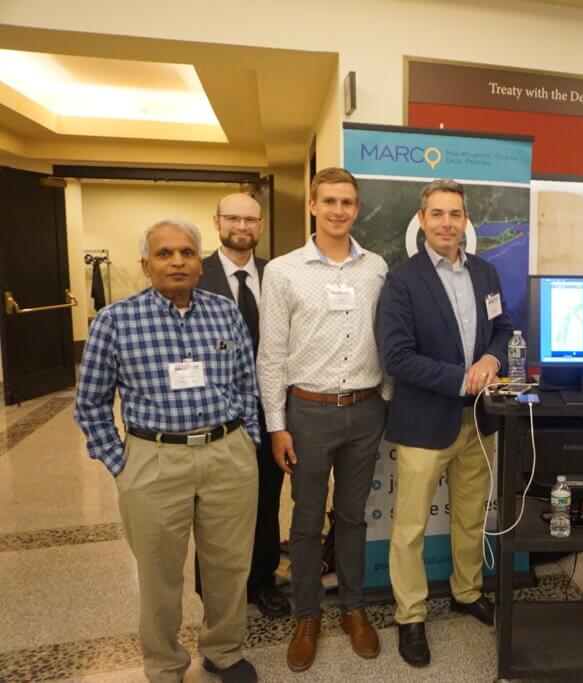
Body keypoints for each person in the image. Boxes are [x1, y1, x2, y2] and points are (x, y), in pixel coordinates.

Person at [74, 219, 259, 683]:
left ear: (201, 261)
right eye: (164, 254)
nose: (177, 261)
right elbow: (91, 402)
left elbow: (245, 383)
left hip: (227, 455)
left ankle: (224, 650)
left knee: (230, 565)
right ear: (145, 264)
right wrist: (122, 463)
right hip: (153, 460)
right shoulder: (115, 321)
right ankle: (164, 664)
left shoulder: (224, 312)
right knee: (159, 575)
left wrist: (247, 440)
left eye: (187, 252)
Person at [377, 178, 513, 668]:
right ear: (422, 219)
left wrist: (494, 361)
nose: (447, 223)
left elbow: (503, 328)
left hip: (478, 423)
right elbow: (397, 357)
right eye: (437, 214)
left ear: (466, 221)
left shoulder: (486, 273)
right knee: (410, 526)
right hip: (424, 422)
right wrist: (462, 378)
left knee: (471, 516)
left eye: (455, 214)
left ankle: (466, 590)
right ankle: (410, 616)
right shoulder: (402, 280)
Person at [257, 167, 388, 671]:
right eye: (329, 201)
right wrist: (276, 425)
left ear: (357, 208)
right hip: (306, 412)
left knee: (353, 517)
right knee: (307, 522)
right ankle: (307, 615)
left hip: (364, 409)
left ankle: (354, 609)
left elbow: (387, 337)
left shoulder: (376, 267)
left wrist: (389, 403)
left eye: (348, 202)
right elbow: (271, 355)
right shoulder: (285, 271)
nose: (338, 210)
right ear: (313, 205)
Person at [191, 192, 290, 619]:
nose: (242, 226)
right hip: (217, 416)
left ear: (261, 225)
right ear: (217, 222)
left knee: (267, 500)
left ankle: (263, 580)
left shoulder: (279, 274)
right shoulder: (194, 274)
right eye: (233, 218)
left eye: (250, 219)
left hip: (272, 412)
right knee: (212, 509)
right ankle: (212, 591)